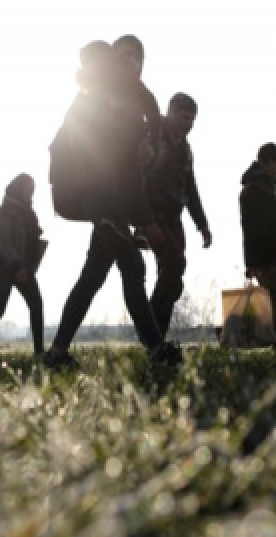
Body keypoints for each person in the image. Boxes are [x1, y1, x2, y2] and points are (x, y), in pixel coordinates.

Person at [43, 41, 179, 371]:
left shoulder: (109, 97)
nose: (134, 64)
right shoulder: (115, 103)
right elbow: (121, 171)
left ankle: (58, 351)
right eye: (126, 57)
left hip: (99, 201)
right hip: (101, 199)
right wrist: (146, 221)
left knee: (93, 275)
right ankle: (157, 349)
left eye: (139, 57)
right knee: (133, 268)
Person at [147, 92, 212, 338]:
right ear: (171, 112)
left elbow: (191, 188)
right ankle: (151, 333)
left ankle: (155, 338)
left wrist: (202, 225)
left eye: (193, 120)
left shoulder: (185, 149)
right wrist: (144, 220)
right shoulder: (151, 136)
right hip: (152, 215)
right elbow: (138, 179)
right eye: (185, 118)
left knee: (171, 280)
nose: (189, 125)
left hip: (174, 217)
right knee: (174, 267)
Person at [0, 174, 46, 356]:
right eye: (28, 190)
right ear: (19, 189)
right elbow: (4, 242)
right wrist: (17, 266)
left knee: (36, 305)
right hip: (4, 265)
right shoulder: (4, 212)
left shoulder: (29, 213)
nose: (30, 194)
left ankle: (39, 351)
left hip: (24, 266)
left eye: (32, 191)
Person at [239, 143, 276, 347]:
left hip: (265, 256)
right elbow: (254, 228)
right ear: (264, 162)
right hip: (263, 256)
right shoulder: (255, 191)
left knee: (274, 303)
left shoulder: (261, 188)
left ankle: (272, 345)